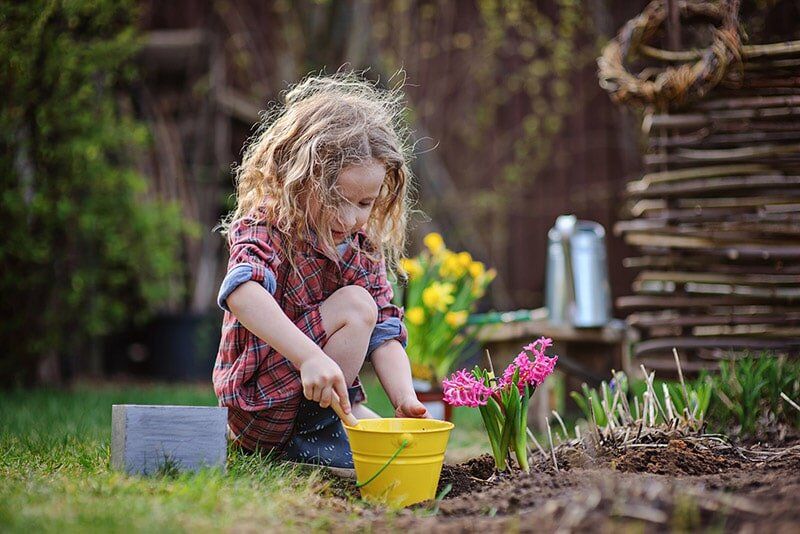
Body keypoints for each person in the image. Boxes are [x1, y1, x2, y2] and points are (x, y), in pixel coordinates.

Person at [213, 72, 429, 471]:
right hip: (260, 402)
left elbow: (384, 328)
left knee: (394, 450)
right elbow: (242, 292)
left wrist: (404, 397)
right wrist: (310, 356)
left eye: (364, 203)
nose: (350, 218)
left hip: (315, 397)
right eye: (336, 198)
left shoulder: (361, 245)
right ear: (298, 179)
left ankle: (321, 428)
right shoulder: (267, 225)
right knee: (355, 306)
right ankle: (311, 435)